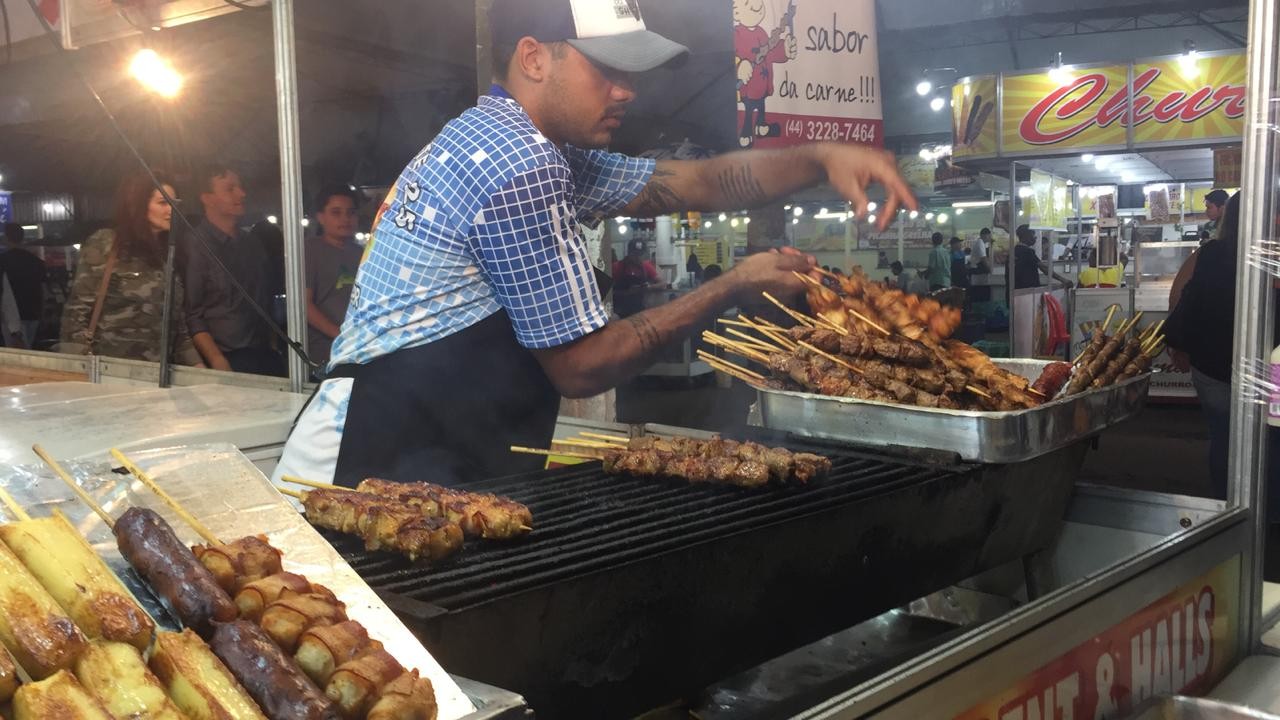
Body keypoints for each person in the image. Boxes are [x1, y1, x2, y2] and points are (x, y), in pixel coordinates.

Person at [272, 0, 916, 487]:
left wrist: (821, 156)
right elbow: (581, 364)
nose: (627, 89)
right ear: (534, 58)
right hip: (365, 462)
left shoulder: (520, 140)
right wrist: (735, 284)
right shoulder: (516, 162)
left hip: (428, 452)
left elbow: (694, 181)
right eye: (607, 69)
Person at [59, 172, 202, 365]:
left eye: (174, 203)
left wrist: (200, 371)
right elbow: (76, 314)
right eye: (162, 203)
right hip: (110, 374)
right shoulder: (107, 243)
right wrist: (79, 369)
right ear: (139, 205)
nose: (171, 210)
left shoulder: (169, 254)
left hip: (158, 377)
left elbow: (178, 327)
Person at [1166, 192, 1240, 499]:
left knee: (1223, 437)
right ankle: (1268, 512)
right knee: (1269, 438)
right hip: (1268, 369)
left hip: (1211, 363)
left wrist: (1179, 345)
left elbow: (1186, 299)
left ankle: (1228, 505)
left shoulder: (1211, 253)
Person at [184, 164, 281, 375]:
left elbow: (266, 298)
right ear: (207, 198)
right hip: (225, 358)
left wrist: (273, 344)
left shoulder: (253, 243)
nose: (241, 193)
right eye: (230, 189)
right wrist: (217, 361)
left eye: (240, 187)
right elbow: (192, 313)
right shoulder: (195, 246)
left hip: (264, 353)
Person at [305, 186, 364, 372]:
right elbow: (303, 306)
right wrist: (340, 335)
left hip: (360, 349)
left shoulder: (362, 253)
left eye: (351, 213)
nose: (345, 219)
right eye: (336, 213)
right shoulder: (309, 250)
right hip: (324, 352)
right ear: (321, 217)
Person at [0, 222, 45, 348]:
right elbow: (42, 289)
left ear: (6, 238)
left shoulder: (2, 261)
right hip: (33, 312)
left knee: (14, 354)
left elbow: (5, 293)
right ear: (23, 237)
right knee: (28, 349)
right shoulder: (36, 262)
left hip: (9, 317)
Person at [1011, 224, 1072, 290]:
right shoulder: (1027, 252)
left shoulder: (1013, 251)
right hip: (1027, 292)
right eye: (1033, 235)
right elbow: (1044, 268)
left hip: (1015, 291)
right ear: (1026, 236)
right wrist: (1063, 279)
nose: (1035, 237)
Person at [612, 238, 659, 317]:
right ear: (629, 253)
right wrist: (627, 292)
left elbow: (662, 283)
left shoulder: (646, 266)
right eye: (635, 254)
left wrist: (649, 287)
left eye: (640, 255)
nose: (638, 258)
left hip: (639, 309)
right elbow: (608, 293)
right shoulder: (617, 266)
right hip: (620, 310)